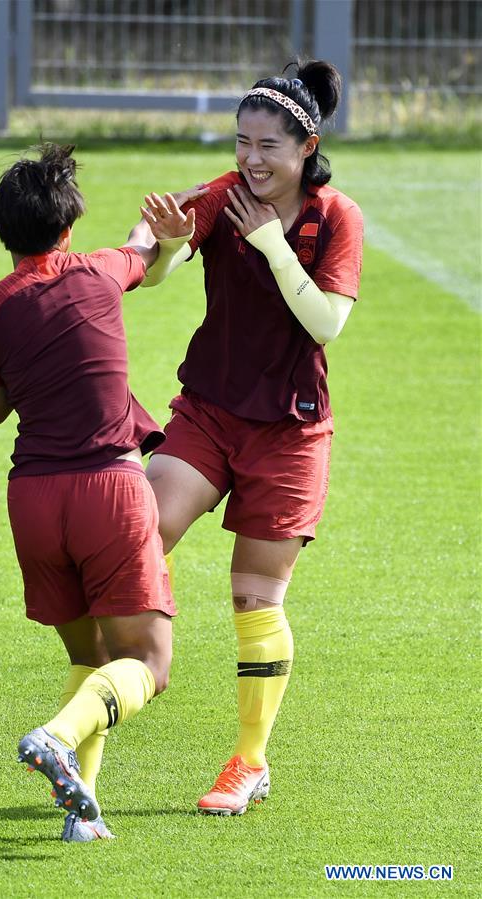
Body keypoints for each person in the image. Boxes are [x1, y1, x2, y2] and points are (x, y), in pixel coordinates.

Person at [134, 60, 364, 816]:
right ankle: (124, 678)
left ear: (306, 146)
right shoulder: (224, 196)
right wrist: (160, 246)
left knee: (254, 596)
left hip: (290, 432)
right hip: (209, 411)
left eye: (267, 145)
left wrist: (269, 244)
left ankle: (248, 761)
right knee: (134, 530)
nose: (250, 159)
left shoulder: (334, 219)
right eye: (241, 142)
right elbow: (158, 254)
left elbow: (327, 321)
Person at [0, 143, 196, 842]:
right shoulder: (97, 272)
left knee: (88, 656)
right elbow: (142, 248)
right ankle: (57, 736)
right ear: (67, 230)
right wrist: (166, 228)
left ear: (3, 230)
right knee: (147, 663)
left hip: (33, 500)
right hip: (109, 491)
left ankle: (82, 811)